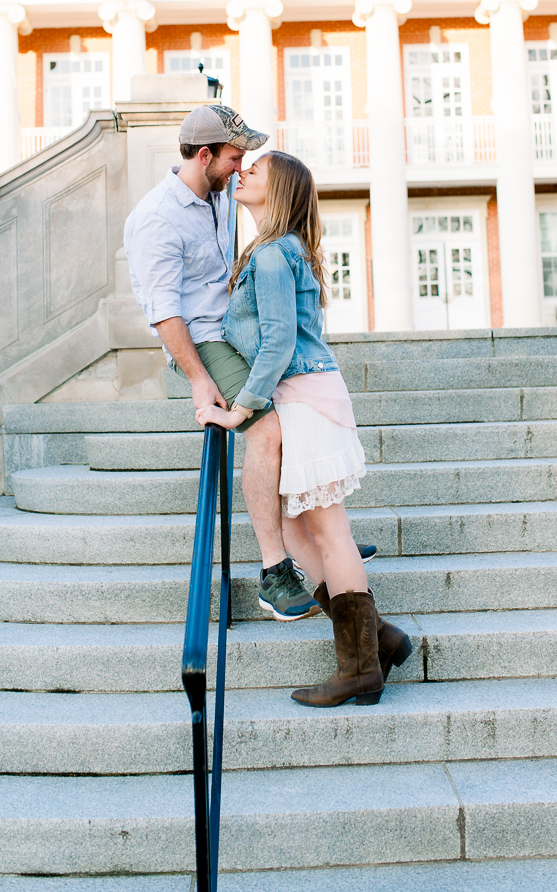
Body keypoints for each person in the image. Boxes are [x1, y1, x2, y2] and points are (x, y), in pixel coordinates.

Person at [197, 150, 412, 708]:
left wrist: (240, 408)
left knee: (329, 531)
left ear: (280, 191)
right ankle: (379, 638)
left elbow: (278, 343)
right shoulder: (276, 251)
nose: (242, 172)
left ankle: (360, 667)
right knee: (294, 530)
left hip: (304, 397)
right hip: (303, 398)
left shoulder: (271, 256)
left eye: (256, 170)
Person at [124, 103, 318, 621]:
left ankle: (316, 539)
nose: (241, 168)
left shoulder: (218, 196)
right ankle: (274, 572)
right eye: (235, 158)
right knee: (266, 430)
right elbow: (163, 311)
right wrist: (196, 377)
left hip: (235, 329)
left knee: (300, 410)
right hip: (204, 342)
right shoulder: (155, 218)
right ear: (205, 155)